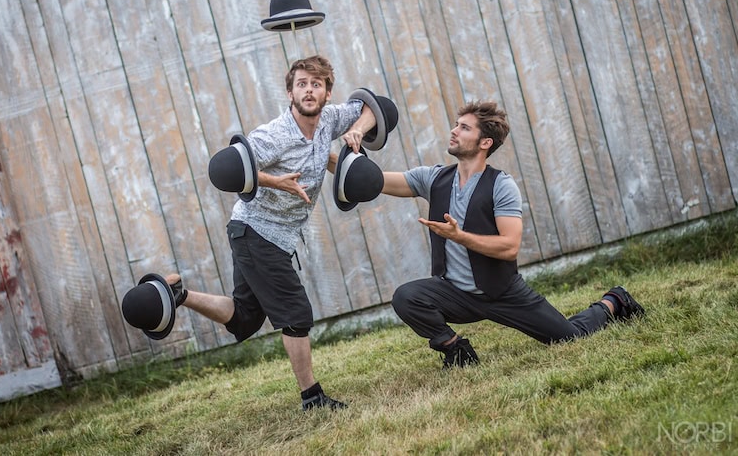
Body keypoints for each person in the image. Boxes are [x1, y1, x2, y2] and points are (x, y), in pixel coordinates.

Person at [165, 55, 378, 410]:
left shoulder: (328, 119)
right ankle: (312, 398)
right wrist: (275, 181)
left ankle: (178, 294)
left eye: (316, 84)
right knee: (296, 314)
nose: (308, 91)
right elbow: (232, 169)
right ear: (289, 93)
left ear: (327, 93)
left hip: (269, 236)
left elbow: (373, 105)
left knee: (245, 318)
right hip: (256, 231)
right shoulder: (274, 135)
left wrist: (358, 129)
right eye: (301, 84)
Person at [380, 101, 645, 368]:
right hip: (455, 294)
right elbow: (373, 181)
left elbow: (509, 247)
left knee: (569, 337)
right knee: (406, 297)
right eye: (456, 125)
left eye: (464, 128)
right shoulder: (433, 178)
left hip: (503, 292)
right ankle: (457, 351)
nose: (454, 131)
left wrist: (460, 236)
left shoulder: (501, 185)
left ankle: (614, 301)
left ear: (485, 142)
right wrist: (350, 151)